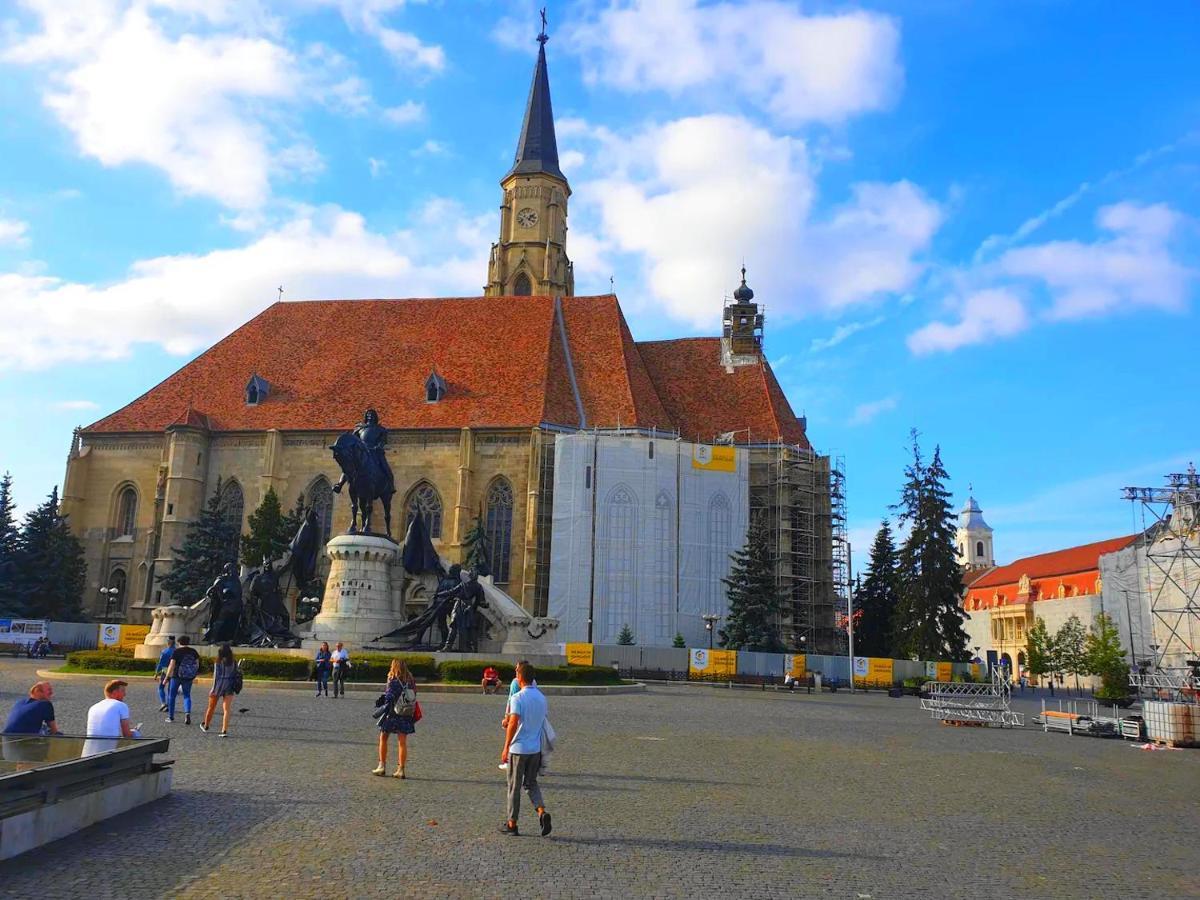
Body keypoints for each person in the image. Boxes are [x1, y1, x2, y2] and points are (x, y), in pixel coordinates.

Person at [499, 661, 552, 837]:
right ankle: (541, 812)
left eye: (516, 672)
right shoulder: (542, 698)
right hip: (535, 749)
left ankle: (512, 823)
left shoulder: (518, 698)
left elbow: (513, 722)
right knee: (531, 783)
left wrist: (506, 747)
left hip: (519, 749)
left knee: (514, 786)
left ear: (520, 677)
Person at [374, 658, 417, 778]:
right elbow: (414, 694)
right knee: (402, 742)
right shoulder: (411, 680)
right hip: (406, 713)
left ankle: (381, 766)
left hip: (392, 713)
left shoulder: (393, 680)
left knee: (383, 737)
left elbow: (389, 697)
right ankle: (401, 769)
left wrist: (382, 700)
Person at [82, 680, 139, 757]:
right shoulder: (121, 705)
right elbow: (126, 734)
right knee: (136, 735)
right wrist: (134, 732)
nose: (125, 694)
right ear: (115, 692)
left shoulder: (93, 707)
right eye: (123, 691)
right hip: (106, 754)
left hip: (87, 753)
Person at [201, 643, 238, 737]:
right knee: (226, 709)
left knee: (211, 707)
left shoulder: (218, 662)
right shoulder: (233, 661)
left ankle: (206, 725)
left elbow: (216, 677)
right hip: (229, 686)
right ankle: (224, 730)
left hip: (218, 686)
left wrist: (213, 689)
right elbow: (235, 674)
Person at [165, 635, 201, 725]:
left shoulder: (176, 651)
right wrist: (193, 674)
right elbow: (197, 665)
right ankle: (187, 713)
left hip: (176, 676)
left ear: (179, 642)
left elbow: (171, 665)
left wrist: (166, 677)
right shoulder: (193, 651)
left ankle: (171, 716)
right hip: (188, 677)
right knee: (187, 695)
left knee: (172, 696)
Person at [155, 636, 176, 712]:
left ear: (168, 642)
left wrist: (157, 673)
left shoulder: (165, 651)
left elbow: (161, 664)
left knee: (161, 687)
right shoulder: (177, 651)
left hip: (166, 671)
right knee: (171, 689)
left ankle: (163, 703)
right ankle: (169, 705)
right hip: (175, 672)